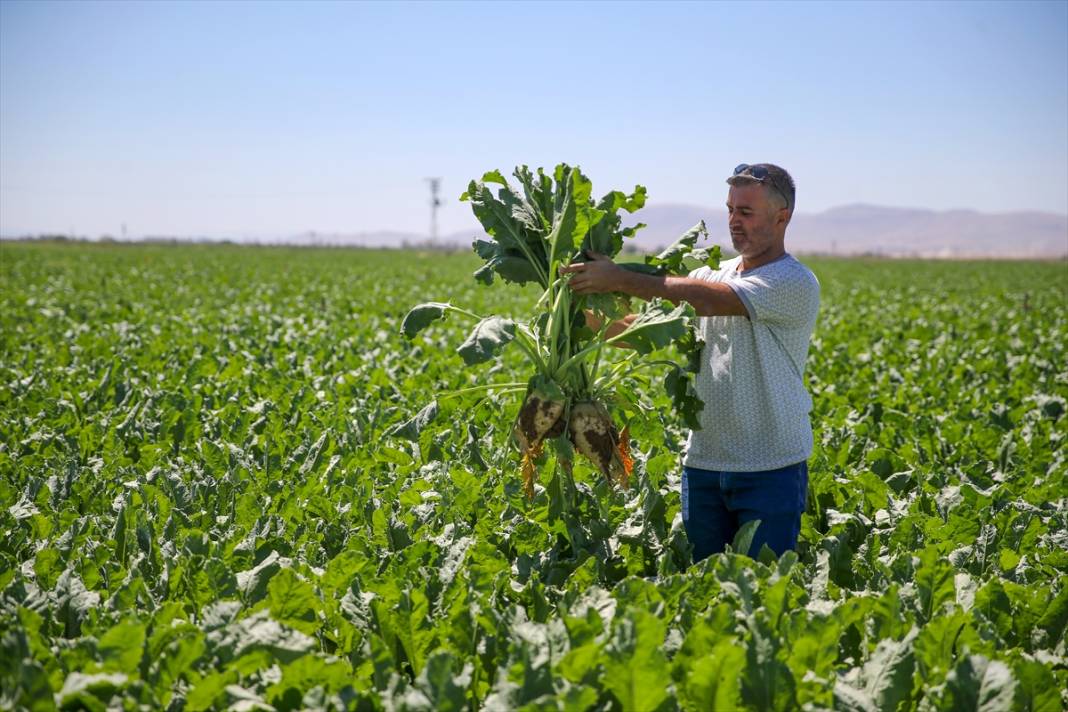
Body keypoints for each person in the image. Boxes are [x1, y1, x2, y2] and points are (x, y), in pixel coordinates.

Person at [560, 163, 820, 561]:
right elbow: (641, 328)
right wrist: (577, 314)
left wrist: (617, 279)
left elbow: (708, 298)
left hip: (771, 467)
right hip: (704, 464)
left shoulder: (792, 282)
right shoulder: (710, 275)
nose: (734, 221)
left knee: (765, 593)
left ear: (782, 217)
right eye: (731, 209)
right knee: (697, 587)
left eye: (746, 212)